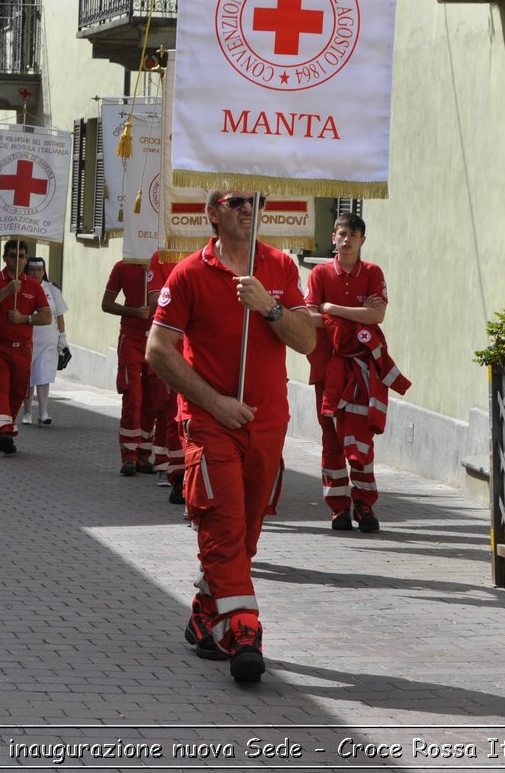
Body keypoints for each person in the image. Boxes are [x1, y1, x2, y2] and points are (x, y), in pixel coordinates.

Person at [147, 191, 316, 684]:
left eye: (255, 201)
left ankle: (206, 611)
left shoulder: (281, 267)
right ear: (212, 213)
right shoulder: (188, 274)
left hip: (267, 424)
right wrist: (215, 402)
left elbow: (307, 341)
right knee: (223, 524)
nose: (248, 209)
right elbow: (159, 350)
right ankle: (244, 630)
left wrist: (270, 307)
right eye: (235, 200)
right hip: (208, 424)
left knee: (243, 536)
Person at [306, 212, 410, 534]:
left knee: (362, 436)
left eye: (353, 234)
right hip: (328, 369)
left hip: (365, 373)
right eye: (341, 233)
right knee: (331, 439)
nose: (346, 239)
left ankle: (364, 505)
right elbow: (309, 316)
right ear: (333, 238)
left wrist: (333, 310)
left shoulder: (372, 272)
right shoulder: (320, 274)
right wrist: (358, 316)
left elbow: (377, 314)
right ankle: (338, 509)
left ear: (362, 240)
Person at [102, 254, 176, 478]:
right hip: (131, 337)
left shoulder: (167, 263)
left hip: (156, 337)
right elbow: (106, 303)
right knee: (132, 394)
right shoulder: (122, 266)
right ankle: (129, 456)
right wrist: (133, 311)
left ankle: (144, 452)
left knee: (154, 399)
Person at [0, 239, 51, 455]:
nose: (16, 260)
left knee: (18, 392)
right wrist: (6, 291)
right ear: (4, 258)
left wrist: (25, 319)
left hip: (23, 349)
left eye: (21, 256)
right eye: (12, 255)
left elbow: (46, 317)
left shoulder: (34, 285)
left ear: (26, 259)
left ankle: (6, 427)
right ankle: (4, 434)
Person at [20, 256, 67, 426]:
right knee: (28, 375)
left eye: (39, 270)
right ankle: (27, 412)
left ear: (44, 271)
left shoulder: (52, 289)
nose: (36, 273)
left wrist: (63, 338)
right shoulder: (22, 288)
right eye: (32, 269)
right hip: (29, 337)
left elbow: (59, 314)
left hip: (48, 339)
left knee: (43, 374)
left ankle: (43, 412)